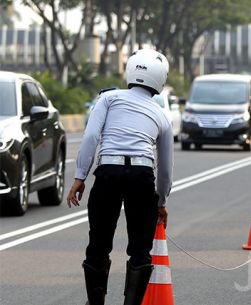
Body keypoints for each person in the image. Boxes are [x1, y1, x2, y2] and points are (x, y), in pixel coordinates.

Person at [67, 49, 174, 305]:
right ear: (160, 79)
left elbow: (91, 138)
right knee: (140, 249)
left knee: (99, 243)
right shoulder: (162, 116)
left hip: (108, 173)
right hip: (142, 176)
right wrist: (160, 202)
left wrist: (80, 176)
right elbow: (166, 168)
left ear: (130, 71)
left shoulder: (108, 99)